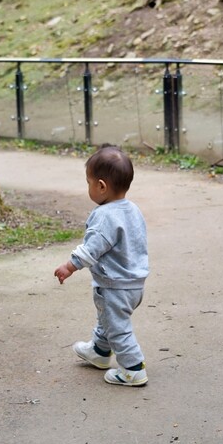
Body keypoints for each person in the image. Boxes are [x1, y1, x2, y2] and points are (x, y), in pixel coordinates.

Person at [54, 144, 150, 386]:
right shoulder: (133, 210)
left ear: (101, 186)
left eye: (89, 183)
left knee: (118, 328)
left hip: (115, 286)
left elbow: (91, 249)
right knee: (108, 318)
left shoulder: (104, 216)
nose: (88, 188)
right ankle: (99, 350)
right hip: (134, 283)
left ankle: (133, 368)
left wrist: (70, 266)